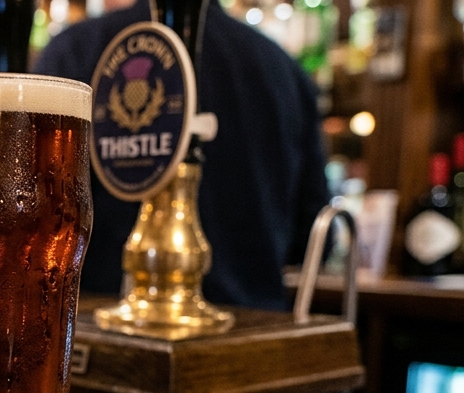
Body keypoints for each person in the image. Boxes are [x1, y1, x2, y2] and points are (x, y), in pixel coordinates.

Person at [34, 0, 329, 310]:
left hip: (101, 332)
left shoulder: (75, 51)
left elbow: (40, 222)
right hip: (252, 334)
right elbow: (313, 241)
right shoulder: (284, 70)